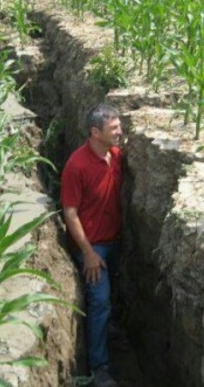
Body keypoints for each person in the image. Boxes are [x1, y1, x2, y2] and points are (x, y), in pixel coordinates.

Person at [60, 103, 123, 387]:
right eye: (114, 128)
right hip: (93, 245)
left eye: (119, 126)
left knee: (108, 300)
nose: (120, 131)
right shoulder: (77, 165)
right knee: (98, 302)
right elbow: (70, 213)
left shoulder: (115, 155)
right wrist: (87, 254)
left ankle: (108, 328)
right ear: (95, 132)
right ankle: (98, 368)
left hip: (115, 240)